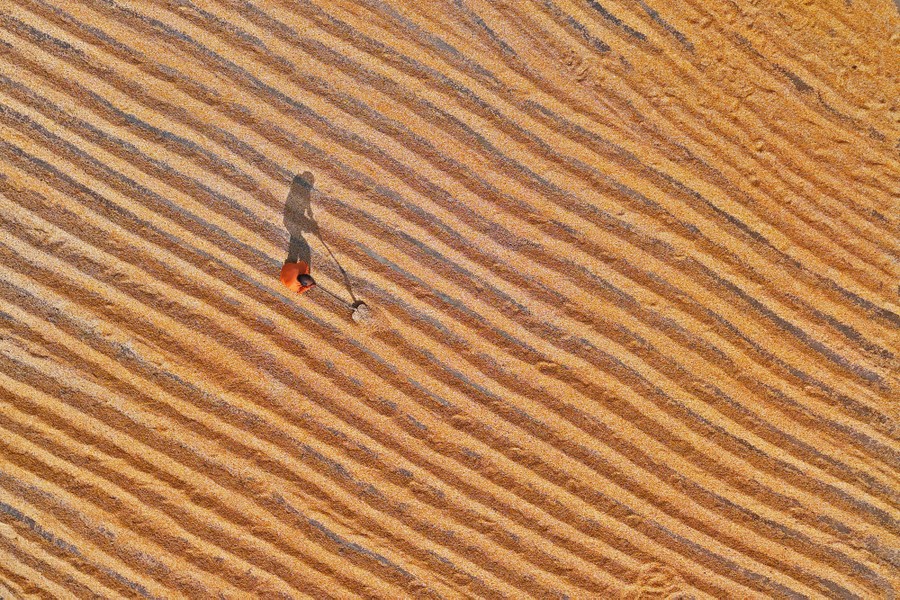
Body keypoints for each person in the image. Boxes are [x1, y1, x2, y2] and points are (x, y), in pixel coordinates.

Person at [281, 172, 318, 295]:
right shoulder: (293, 286)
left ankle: (290, 261)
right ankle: (290, 260)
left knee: (298, 241)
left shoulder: (299, 269)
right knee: (298, 243)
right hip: (287, 272)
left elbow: (304, 268)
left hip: (289, 270)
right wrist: (309, 286)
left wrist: (310, 285)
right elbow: (299, 292)